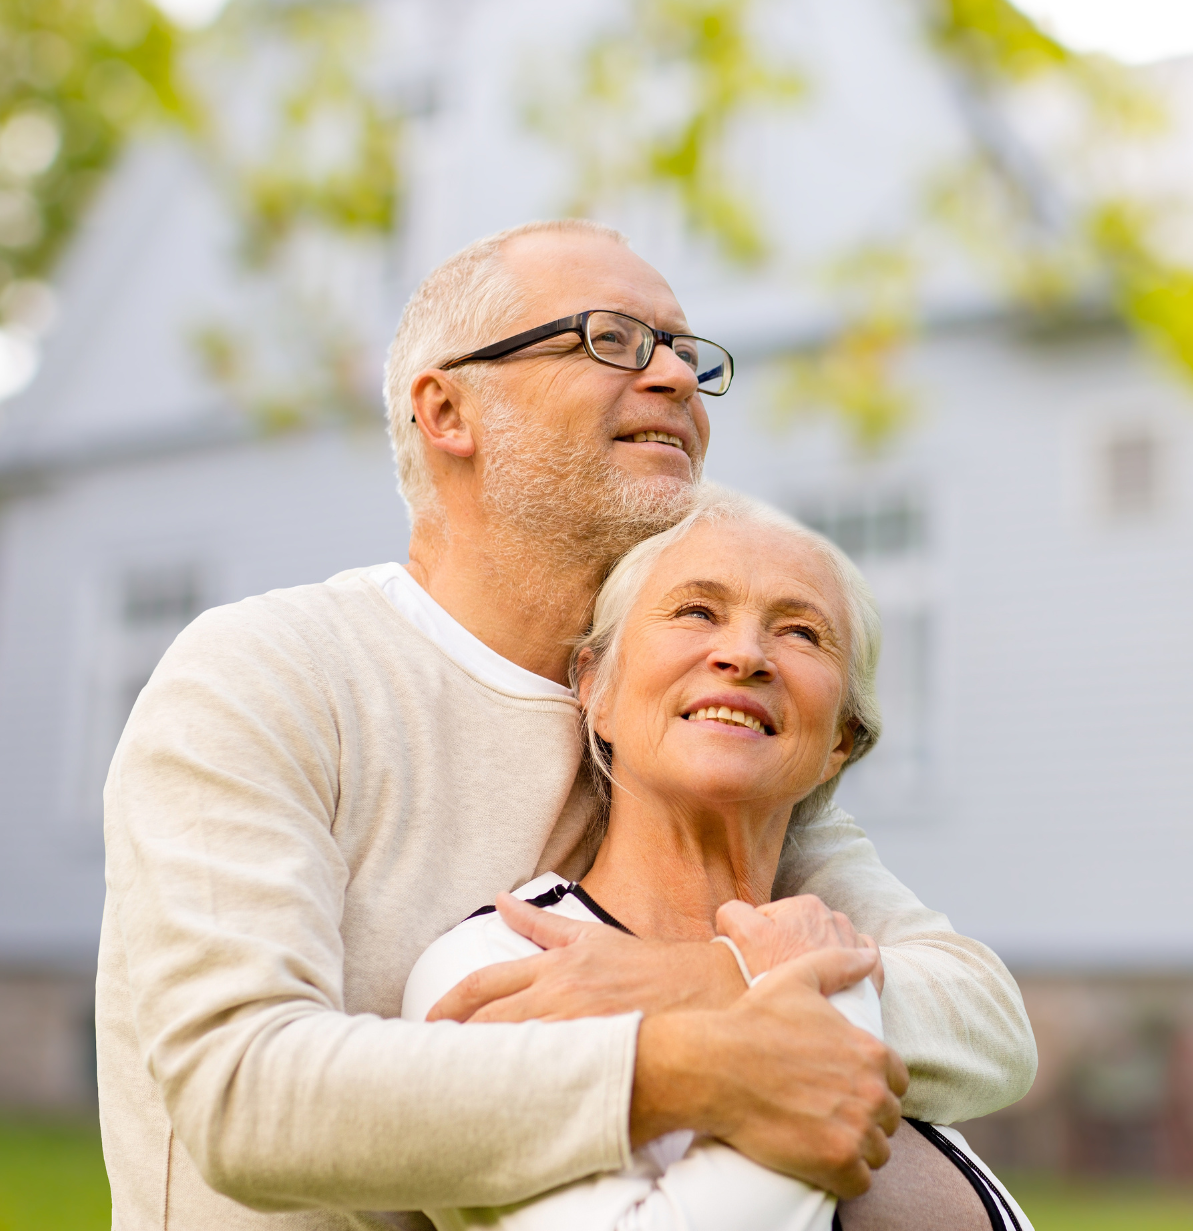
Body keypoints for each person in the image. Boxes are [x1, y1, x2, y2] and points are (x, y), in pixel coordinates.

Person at [97, 219, 1036, 1229]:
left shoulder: (686, 730)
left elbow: (980, 1016)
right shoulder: (271, 672)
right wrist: (687, 1062)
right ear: (448, 408)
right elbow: (244, 1093)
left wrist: (702, 979)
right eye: (612, 338)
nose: (676, 375)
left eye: (683, 349)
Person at [402, 486, 1031, 1231]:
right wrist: (818, 993)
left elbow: (996, 1035)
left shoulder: (835, 944)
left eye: (801, 632)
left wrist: (752, 976)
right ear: (594, 687)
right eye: (696, 611)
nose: (743, 654)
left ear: (841, 743)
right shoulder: (502, 960)